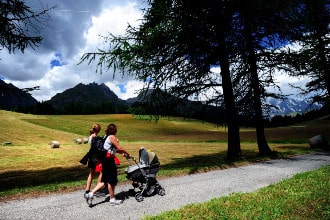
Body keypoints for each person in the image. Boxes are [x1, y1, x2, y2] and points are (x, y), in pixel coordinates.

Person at [86, 123, 130, 206]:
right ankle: (112, 199)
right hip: (109, 161)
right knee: (112, 181)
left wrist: (123, 154)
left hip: (105, 160)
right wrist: (128, 153)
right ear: (115, 130)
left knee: (105, 181)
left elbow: (113, 149)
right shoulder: (112, 137)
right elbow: (119, 147)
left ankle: (90, 194)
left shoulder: (106, 136)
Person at [80, 123, 103, 199]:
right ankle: (98, 188)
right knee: (101, 172)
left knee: (91, 173)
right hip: (96, 157)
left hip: (91, 156)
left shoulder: (90, 137)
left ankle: (87, 190)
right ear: (99, 130)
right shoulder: (95, 137)